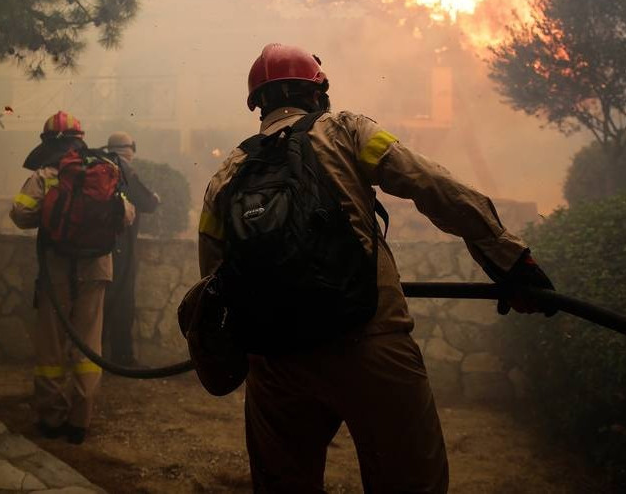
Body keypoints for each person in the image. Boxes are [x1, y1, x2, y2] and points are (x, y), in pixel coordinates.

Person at [196, 43, 555, 493]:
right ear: (317, 93)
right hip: (369, 342)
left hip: (275, 364)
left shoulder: (226, 174)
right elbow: (429, 184)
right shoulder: (345, 130)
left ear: (258, 105)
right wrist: (509, 258)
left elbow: (212, 280)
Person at [10, 111, 135, 445]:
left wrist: (52, 217)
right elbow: (126, 215)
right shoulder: (103, 169)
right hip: (96, 268)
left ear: (48, 140)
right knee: (88, 344)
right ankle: (81, 420)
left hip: (57, 268)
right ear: (80, 137)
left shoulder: (48, 173)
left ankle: (51, 417)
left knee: (52, 344)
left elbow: (20, 214)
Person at [103, 131, 159, 366]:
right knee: (123, 302)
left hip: (99, 248)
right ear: (128, 149)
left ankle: (95, 353)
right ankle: (122, 356)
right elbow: (148, 202)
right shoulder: (124, 169)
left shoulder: (100, 168)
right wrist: (155, 197)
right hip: (121, 249)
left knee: (101, 302)